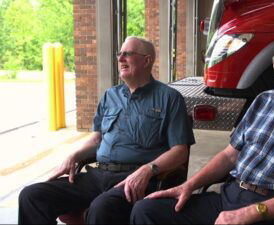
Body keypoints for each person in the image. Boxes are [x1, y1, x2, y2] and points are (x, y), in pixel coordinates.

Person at [130, 32, 274, 225]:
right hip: (231, 196)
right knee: (147, 211)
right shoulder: (264, 100)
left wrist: (251, 213)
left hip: (273, 210)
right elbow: (229, 156)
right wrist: (188, 186)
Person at [18, 36, 195, 224]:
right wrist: (74, 156)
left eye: (128, 54)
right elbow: (96, 139)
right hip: (98, 175)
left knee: (101, 209)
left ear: (147, 60)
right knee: (32, 196)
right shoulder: (110, 96)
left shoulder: (169, 98)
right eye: (120, 54)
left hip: (134, 179)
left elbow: (180, 151)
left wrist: (148, 169)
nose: (120, 59)